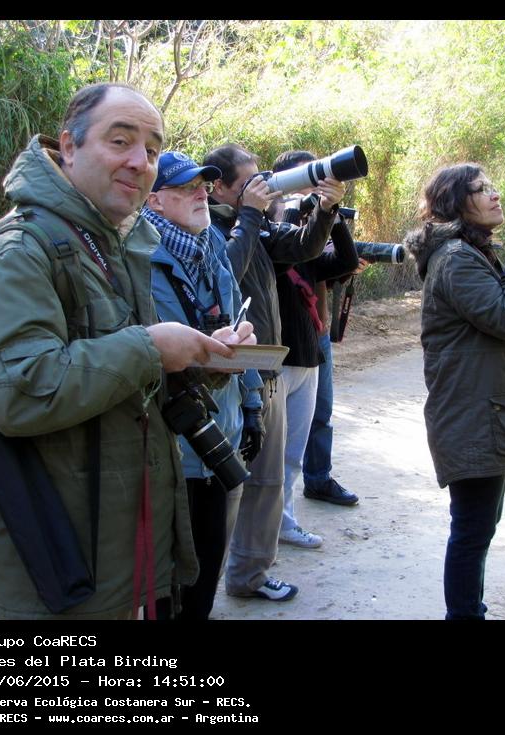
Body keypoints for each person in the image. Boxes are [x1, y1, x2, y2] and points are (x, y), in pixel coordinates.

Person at [0, 83, 244, 620]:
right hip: (56, 563)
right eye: (121, 141)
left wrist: (202, 356)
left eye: (153, 149)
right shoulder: (22, 249)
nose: (141, 161)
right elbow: (17, 392)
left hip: (117, 550)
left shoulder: (114, 243)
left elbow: (128, 382)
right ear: (70, 146)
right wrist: (151, 345)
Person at [403, 162, 505, 620]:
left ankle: (468, 611)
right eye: (481, 189)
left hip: (482, 407)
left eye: (492, 187)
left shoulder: (471, 252)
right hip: (474, 412)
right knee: (472, 530)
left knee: (478, 526)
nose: (495, 195)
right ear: (455, 203)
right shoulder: (457, 259)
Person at [202, 143, 343, 599]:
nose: (260, 188)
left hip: (267, 371)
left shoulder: (254, 224)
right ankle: (200, 589)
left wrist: (325, 210)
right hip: (227, 376)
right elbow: (225, 271)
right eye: (247, 182)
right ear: (217, 188)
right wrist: (249, 214)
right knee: (224, 487)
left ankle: (249, 576)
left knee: (267, 481)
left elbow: (304, 248)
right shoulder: (207, 228)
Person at [142, 150, 263, 619]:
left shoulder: (211, 242)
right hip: (171, 450)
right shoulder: (137, 254)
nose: (201, 194)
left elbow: (236, 323)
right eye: (185, 187)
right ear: (153, 199)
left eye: (203, 185)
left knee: (206, 577)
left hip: (220, 436)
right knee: (167, 588)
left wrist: (252, 404)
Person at [267, 150, 359, 549]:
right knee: (268, 453)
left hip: (308, 353)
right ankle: (261, 529)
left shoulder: (308, 247)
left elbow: (345, 260)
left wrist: (330, 213)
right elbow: (290, 247)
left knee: (293, 452)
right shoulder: (262, 239)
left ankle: (283, 522)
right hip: (276, 358)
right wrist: (298, 209)